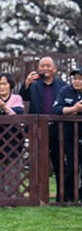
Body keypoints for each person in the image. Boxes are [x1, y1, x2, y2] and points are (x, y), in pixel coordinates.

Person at [21, 56, 67, 196]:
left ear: (54, 69)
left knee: (59, 163)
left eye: (48, 66)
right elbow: (23, 97)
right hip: (38, 130)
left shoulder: (62, 85)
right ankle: (38, 195)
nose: (45, 69)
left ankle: (62, 194)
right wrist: (27, 83)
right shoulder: (34, 84)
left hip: (57, 129)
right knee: (37, 163)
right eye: (42, 66)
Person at [53, 68, 82, 202]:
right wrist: (73, 109)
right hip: (69, 135)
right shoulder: (65, 91)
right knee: (70, 166)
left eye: (80, 78)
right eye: (75, 78)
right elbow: (57, 109)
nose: (77, 81)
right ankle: (68, 195)